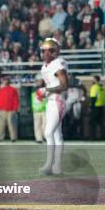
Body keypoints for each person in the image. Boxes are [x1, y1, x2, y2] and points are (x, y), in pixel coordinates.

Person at [38, 38, 68, 175]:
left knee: (48, 132)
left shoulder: (57, 63)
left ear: (54, 52)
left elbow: (64, 85)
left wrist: (47, 90)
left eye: (48, 51)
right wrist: (44, 91)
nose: (44, 53)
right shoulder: (45, 67)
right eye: (43, 51)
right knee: (57, 135)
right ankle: (57, 167)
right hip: (50, 101)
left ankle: (50, 165)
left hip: (57, 101)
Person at [0, 76, 19, 142]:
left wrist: (15, 109)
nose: (6, 81)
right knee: (1, 125)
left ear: (9, 81)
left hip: (10, 110)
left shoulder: (13, 89)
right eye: (5, 80)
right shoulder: (1, 90)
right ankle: (0, 137)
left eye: (7, 80)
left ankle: (13, 138)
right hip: (2, 110)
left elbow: (16, 100)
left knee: (11, 125)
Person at [88, 75, 105, 139]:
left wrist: (90, 108)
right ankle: (103, 136)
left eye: (93, 79)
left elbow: (93, 98)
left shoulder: (94, 87)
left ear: (95, 80)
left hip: (95, 107)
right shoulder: (101, 87)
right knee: (101, 123)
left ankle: (92, 137)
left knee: (92, 122)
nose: (92, 80)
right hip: (101, 107)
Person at [31, 75, 47, 143]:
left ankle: (45, 137)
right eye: (37, 80)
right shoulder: (34, 89)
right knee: (37, 125)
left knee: (45, 125)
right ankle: (39, 138)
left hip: (44, 110)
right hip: (36, 110)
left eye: (40, 80)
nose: (39, 82)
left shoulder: (46, 89)